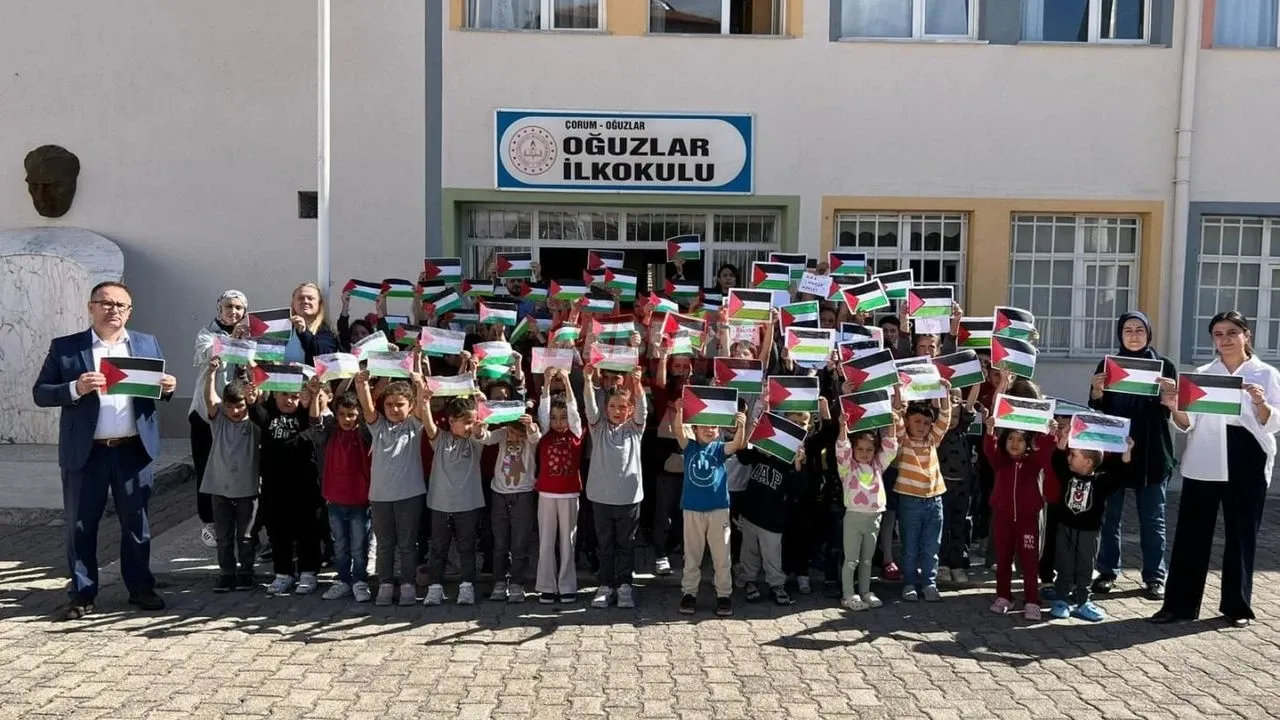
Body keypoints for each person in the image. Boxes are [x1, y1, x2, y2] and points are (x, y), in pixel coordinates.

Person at [32, 281, 177, 619]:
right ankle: (82, 593)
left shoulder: (145, 343)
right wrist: (75, 387)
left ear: (130, 311)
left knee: (136, 524)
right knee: (81, 526)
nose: (114, 310)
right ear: (91, 307)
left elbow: (154, 390)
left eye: (121, 305)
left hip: (132, 451)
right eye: (106, 303)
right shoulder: (67, 347)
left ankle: (140, 587)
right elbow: (41, 392)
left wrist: (169, 387)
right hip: (87, 453)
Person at [1152, 311, 1280, 628]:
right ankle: (1179, 606)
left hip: (1248, 455)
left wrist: (1260, 403)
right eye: (1218, 334)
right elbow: (1187, 423)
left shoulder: (1265, 374)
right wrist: (1174, 407)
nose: (1225, 339)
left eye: (1232, 332)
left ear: (1246, 335)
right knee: (1191, 534)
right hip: (1205, 455)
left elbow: (1273, 422)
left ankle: (1237, 607)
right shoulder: (1203, 374)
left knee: (1241, 534)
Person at [1087, 311, 1176, 600]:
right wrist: (1097, 391)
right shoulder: (1108, 364)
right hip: (1114, 450)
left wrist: (1170, 395)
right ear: (1120, 334)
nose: (1134, 335)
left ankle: (1154, 577)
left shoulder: (1164, 366)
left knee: (1152, 518)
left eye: (1140, 329)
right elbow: (1097, 408)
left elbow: (1168, 411)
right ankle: (1107, 572)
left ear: (1148, 333)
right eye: (1128, 330)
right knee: (1109, 516)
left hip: (1151, 453)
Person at [355, 370, 429, 607]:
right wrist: (362, 384)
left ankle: (408, 584)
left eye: (400, 404)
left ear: (411, 406)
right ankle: (385, 584)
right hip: (380, 496)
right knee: (385, 544)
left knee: (407, 544)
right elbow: (367, 407)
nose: (394, 409)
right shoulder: (378, 427)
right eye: (389, 404)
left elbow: (422, 404)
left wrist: (419, 383)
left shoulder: (414, 425)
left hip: (410, 495)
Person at [671, 403, 747, 617]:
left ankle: (724, 595)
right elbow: (678, 430)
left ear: (719, 429)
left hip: (718, 510)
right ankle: (689, 593)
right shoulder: (690, 446)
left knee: (722, 556)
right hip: (692, 509)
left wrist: (741, 426)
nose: (708, 429)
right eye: (703, 426)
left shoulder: (719, 448)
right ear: (694, 429)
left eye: (713, 426)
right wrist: (679, 412)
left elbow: (736, 445)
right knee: (692, 555)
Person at [1047, 434, 1131, 622]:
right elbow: (1056, 461)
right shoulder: (1067, 474)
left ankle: (1083, 600)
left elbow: (1120, 476)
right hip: (1066, 528)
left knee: (1086, 564)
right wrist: (1062, 442)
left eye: (1074, 455)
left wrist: (1126, 453)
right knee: (1064, 562)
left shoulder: (1101, 481)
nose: (1069, 458)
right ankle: (1061, 598)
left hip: (1089, 532)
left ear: (1088, 462)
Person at [583, 364, 648, 610]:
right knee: (605, 545)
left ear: (629, 409)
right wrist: (587, 380)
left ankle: (624, 586)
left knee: (626, 544)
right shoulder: (598, 427)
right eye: (612, 406)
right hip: (601, 497)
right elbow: (589, 407)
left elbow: (643, 409)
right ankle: (605, 586)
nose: (617, 411)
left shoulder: (635, 428)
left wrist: (637, 383)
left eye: (622, 407)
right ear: (605, 408)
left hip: (628, 498)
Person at [189, 289, 249, 548]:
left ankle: (238, 521)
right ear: (219, 309)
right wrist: (231, 342)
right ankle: (209, 522)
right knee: (206, 467)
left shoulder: (250, 335)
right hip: (207, 412)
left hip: (238, 414)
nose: (233, 311)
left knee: (238, 467)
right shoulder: (207, 333)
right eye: (228, 306)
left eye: (238, 307)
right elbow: (205, 356)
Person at [200, 359, 267, 593]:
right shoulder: (219, 420)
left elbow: (259, 400)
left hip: (248, 487)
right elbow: (209, 399)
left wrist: (252, 371)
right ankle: (227, 573)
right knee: (223, 535)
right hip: (219, 487)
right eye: (230, 407)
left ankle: (246, 572)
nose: (235, 411)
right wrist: (211, 373)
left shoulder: (255, 422)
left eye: (240, 406)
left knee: (246, 535)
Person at [982, 418, 1059, 621]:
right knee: (1003, 560)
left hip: (1028, 521)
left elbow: (1046, 452)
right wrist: (990, 431)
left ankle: (1032, 600)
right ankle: (1003, 597)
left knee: (1029, 562)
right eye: (1011, 439)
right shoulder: (1001, 461)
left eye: (1020, 440)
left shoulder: (1033, 463)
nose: (1015, 444)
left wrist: (1050, 434)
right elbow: (989, 450)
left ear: (1027, 443)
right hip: (1003, 519)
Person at [422, 394, 494, 607]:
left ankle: (467, 586)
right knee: (438, 548)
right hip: (440, 505)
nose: (471, 426)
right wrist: (423, 401)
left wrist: (481, 401)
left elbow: (483, 426)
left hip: (468, 505)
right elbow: (427, 422)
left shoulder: (475, 442)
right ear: (452, 421)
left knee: (467, 547)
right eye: (466, 422)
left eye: (473, 421)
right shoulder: (440, 439)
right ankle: (435, 587)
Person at [305, 382, 373, 602]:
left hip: (360, 501)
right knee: (340, 545)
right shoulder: (330, 433)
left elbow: (370, 414)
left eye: (351, 414)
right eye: (342, 414)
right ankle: (343, 580)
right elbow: (315, 422)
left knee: (358, 546)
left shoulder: (365, 434)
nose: (346, 419)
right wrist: (315, 394)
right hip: (335, 500)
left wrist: (363, 388)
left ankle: (360, 581)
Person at [259, 379, 321, 596]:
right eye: (284, 394)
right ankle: (283, 573)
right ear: (275, 394)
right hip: (274, 484)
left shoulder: (304, 413)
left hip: (304, 483)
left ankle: (308, 572)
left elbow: (315, 419)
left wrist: (313, 396)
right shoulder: (267, 412)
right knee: (278, 530)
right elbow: (255, 407)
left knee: (307, 529)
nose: (289, 400)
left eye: (294, 396)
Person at [836, 412, 902, 611]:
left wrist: (891, 424)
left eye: (870, 449)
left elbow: (890, 448)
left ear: (875, 451)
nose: (865, 453)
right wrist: (843, 426)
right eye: (860, 449)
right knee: (851, 560)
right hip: (854, 517)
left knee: (867, 560)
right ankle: (848, 594)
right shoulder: (847, 468)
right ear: (854, 449)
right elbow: (842, 448)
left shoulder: (878, 466)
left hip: (874, 517)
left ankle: (865, 591)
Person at [893, 387, 953, 604]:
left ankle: (929, 584)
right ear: (907, 421)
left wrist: (945, 392)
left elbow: (945, 418)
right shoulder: (903, 440)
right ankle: (909, 583)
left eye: (927, 423)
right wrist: (897, 390)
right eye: (917, 421)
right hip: (909, 500)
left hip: (935, 500)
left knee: (931, 546)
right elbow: (895, 414)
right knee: (910, 546)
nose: (922, 426)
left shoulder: (932, 440)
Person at [535, 370, 585, 604]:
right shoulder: (544, 434)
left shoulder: (576, 433)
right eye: (554, 418)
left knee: (568, 542)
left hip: (570, 493)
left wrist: (566, 381)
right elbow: (542, 411)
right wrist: (546, 383)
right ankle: (546, 585)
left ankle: (566, 586)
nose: (558, 422)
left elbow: (574, 410)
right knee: (546, 541)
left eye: (562, 418)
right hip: (546, 493)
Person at [487, 414, 542, 604]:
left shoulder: (530, 438)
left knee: (520, 542)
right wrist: (481, 424)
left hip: (523, 494)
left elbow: (536, 437)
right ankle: (499, 581)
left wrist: (530, 427)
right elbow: (486, 438)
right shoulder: (502, 434)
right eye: (512, 432)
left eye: (520, 434)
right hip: (499, 494)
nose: (515, 437)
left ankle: (517, 583)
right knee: (500, 543)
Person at [285, 282, 339, 365]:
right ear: (293, 304)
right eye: (301, 298)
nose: (305, 301)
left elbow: (323, 358)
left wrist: (304, 333)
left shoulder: (326, 332)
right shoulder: (285, 329)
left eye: (310, 298)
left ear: (319, 304)